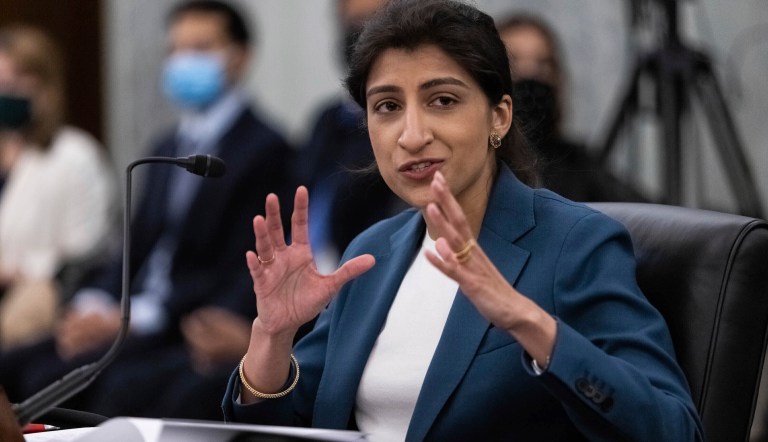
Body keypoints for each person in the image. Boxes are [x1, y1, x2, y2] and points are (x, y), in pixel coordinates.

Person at [222, 0, 702, 440]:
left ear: (499, 117)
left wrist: (528, 321)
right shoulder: (372, 252)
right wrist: (273, 337)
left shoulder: (577, 243)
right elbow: (282, 426)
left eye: (442, 101)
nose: (412, 135)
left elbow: (674, 429)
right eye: (387, 107)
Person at [0, 0, 293, 420]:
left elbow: (239, 267)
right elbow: (132, 248)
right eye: (175, 49)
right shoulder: (165, 146)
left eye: (200, 47)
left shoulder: (265, 149)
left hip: (178, 325)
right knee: (13, 366)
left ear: (240, 56)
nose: (183, 60)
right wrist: (94, 302)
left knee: (88, 387)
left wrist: (130, 318)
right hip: (127, 316)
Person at [0, 25, 116, 351]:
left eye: (16, 81)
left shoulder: (74, 154)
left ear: (45, 86)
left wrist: (18, 270)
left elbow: (86, 251)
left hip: (46, 294)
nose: (4, 90)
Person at [297, 0, 406, 270]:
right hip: (304, 279)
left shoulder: (408, 125)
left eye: (373, 20)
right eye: (352, 23)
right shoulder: (327, 119)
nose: (360, 32)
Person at [498, 13, 648, 202]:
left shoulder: (577, 164)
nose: (529, 74)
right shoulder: (480, 163)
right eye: (513, 63)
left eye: (542, 64)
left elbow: (651, 217)